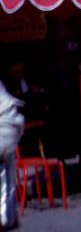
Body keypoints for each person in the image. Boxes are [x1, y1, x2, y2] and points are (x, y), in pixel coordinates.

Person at [0, 81, 24, 230]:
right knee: (8, 184)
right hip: (10, 134)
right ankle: (9, 217)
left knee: (4, 183)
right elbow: (18, 120)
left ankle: (5, 219)